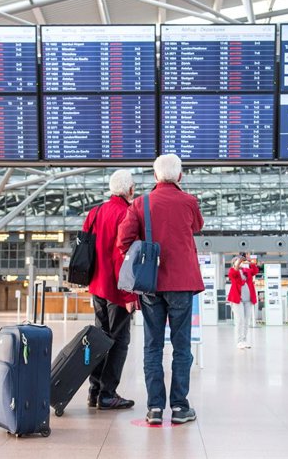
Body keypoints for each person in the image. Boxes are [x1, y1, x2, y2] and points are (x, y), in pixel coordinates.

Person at [117, 154, 204, 426]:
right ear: (179, 176)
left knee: (152, 346)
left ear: (155, 176)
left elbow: (123, 240)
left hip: (151, 285)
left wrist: (140, 251)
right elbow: (197, 227)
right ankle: (180, 407)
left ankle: (154, 408)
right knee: (182, 346)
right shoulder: (189, 202)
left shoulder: (141, 203)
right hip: (182, 284)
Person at [83, 169, 139, 410]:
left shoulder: (95, 212)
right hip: (117, 290)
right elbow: (122, 257)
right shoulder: (126, 213)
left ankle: (94, 390)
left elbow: (86, 247)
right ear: (130, 190)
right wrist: (129, 295)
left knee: (99, 337)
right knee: (118, 341)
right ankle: (108, 394)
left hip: (97, 286)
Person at [227, 254, 259, 349]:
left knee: (246, 321)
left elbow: (255, 271)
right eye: (238, 262)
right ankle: (239, 341)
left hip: (248, 300)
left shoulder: (247, 271)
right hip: (237, 300)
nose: (241, 263)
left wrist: (250, 262)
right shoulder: (232, 271)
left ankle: (244, 340)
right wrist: (238, 262)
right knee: (239, 320)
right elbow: (233, 273)